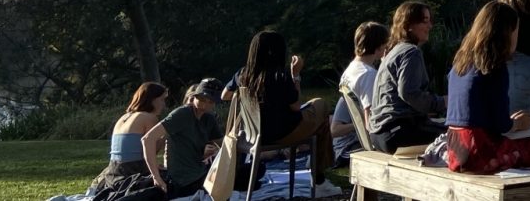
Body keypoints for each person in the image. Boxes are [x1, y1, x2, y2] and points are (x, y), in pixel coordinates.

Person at [444, 0, 530, 174]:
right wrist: (518, 123)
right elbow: (502, 126)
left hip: (456, 149)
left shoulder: (461, 63)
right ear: (508, 33)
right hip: (479, 153)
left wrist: (511, 121)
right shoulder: (494, 68)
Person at [239, 29, 334, 190]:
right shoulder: (280, 75)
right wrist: (295, 75)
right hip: (284, 133)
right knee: (321, 104)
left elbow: (226, 94)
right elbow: (296, 106)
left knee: (322, 125)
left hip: (255, 135)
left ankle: (320, 177)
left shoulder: (244, 76)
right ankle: (319, 177)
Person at [368, 1, 448, 152]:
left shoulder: (394, 52)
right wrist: (442, 102)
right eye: (425, 21)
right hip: (397, 132)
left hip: (379, 134)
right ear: (409, 25)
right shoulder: (411, 52)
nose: (430, 26)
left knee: (444, 128)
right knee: (458, 137)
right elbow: (409, 93)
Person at [140, 79, 225, 199]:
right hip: (182, 180)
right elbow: (148, 139)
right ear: (195, 96)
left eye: (210, 101)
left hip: (201, 174)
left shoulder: (209, 119)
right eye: (201, 99)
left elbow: (224, 145)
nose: (205, 105)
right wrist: (156, 177)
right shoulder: (182, 114)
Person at [331, 20, 389, 164]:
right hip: (353, 147)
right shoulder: (368, 75)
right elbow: (371, 122)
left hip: (340, 145)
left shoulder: (351, 70)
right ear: (379, 48)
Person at [90, 82, 167, 189]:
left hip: (113, 171)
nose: (164, 104)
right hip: (132, 171)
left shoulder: (124, 117)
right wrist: (164, 137)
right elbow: (150, 151)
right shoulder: (149, 118)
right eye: (162, 100)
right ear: (152, 100)